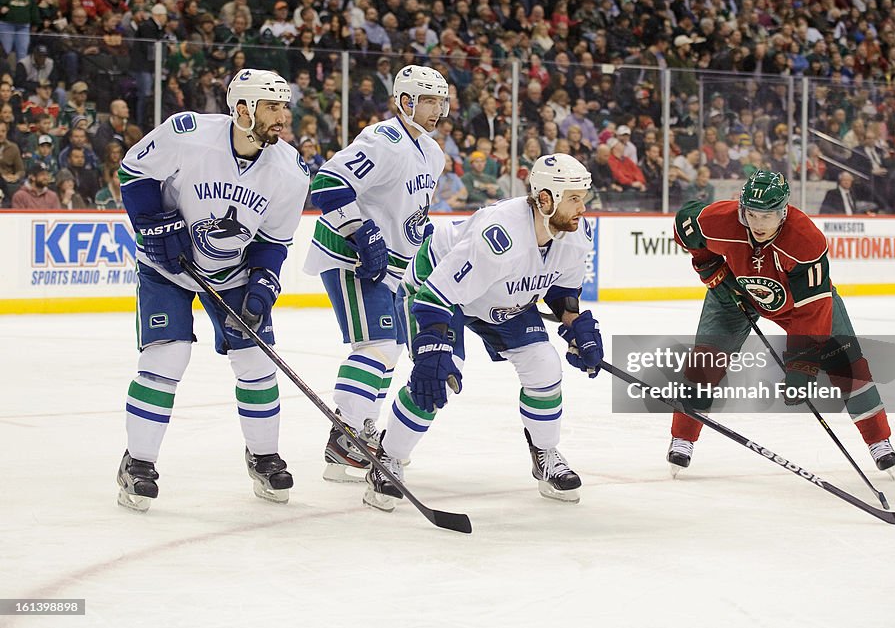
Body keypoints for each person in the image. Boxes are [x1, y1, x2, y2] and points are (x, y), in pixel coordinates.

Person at [115, 68, 309, 512]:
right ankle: (137, 463)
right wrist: (153, 223)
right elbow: (134, 171)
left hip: (232, 273)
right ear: (242, 108)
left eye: (285, 106)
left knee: (256, 361)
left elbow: (273, 243)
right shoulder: (189, 133)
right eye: (272, 107)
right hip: (167, 266)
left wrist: (262, 283)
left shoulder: (290, 170)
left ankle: (263, 457)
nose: (283, 116)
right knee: (167, 356)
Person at [363, 154, 604, 510]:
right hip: (438, 290)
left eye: (583, 196)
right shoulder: (500, 235)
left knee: (544, 366)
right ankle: (387, 459)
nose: (583, 207)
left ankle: (545, 454)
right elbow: (437, 295)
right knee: (438, 376)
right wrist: (433, 350)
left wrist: (577, 327)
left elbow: (561, 292)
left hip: (501, 296)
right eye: (574, 198)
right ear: (546, 199)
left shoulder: (576, 233)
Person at [667, 170, 895, 475]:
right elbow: (686, 224)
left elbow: (811, 312)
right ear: (741, 209)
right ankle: (682, 439)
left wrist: (801, 367)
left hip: (799, 305)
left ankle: (878, 441)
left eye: (768, 216)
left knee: (847, 365)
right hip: (735, 296)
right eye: (751, 214)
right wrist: (708, 265)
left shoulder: (805, 240)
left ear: (784, 212)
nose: (758, 224)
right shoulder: (720, 221)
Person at [304, 64, 448, 482]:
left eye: (441, 101)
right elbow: (329, 183)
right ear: (405, 102)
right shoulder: (384, 140)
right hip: (352, 257)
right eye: (428, 100)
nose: (437, 109)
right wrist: (362, 233)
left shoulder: (432, 153)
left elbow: (409, 212)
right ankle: (345, 436)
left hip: (392, 266)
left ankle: (359, 432)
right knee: (378, 345)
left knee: (391, 349)